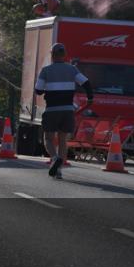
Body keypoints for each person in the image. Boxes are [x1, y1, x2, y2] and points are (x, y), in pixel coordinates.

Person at [34, 42, 93, 179]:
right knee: (62, 140)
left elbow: (38, 91)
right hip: (67, 110)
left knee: (48, 138)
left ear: (52, 55)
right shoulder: (72, 70)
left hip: (52, 110)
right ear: (64, 55)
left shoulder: (46, 70)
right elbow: (86, 83)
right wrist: (90, 98)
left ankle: (54, 159)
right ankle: (59, 170)